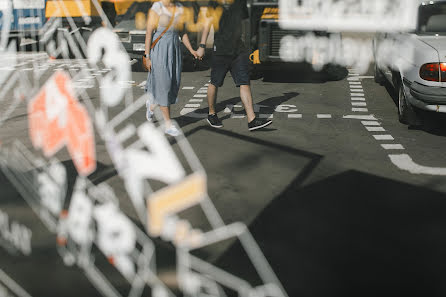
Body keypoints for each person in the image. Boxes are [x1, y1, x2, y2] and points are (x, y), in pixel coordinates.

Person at [196, 0, 272, 131]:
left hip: (238, 50)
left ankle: (252, 119)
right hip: (220, 49)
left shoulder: (240, 2)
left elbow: (245, 23)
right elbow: (207, 23)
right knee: (215, 82)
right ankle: (211, 114)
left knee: (244, 82)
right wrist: (202, 46)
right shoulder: (214, 3)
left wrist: (249, 44)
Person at [144, 0, 197, 136]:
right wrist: (147, 56)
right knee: (165, 85)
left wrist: (191, 50)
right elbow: (149, 32)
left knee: (173, 83)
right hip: (160, 49)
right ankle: (167, 124)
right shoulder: (157, 7)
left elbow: (182, 32)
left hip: (174, 49)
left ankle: (151, 106)